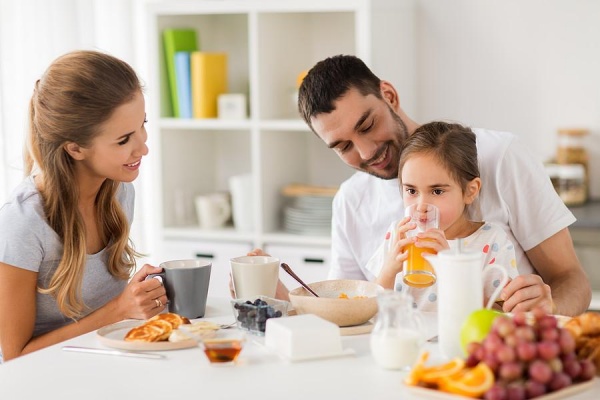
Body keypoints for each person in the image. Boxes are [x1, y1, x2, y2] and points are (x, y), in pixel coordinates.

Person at [297, 54, 590, 316]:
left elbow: (571, 279)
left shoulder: (499, 156)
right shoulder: (351, 200)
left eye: (367, 126)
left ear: (389, 95)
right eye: (343, 146)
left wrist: (549, 308)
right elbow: (349, 307)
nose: (365, 152)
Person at [0, 50, 167, 362]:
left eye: (142, 124)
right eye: (123, 140)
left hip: (106, 365)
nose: (143, 146)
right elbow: (15, 356)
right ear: (75, 148)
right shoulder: (23, 223)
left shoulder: (119, 194)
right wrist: (119, 310)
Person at [365, 121, 518, 311]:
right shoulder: (399, 235)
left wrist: (452, 267)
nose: (421, 207)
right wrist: (389, 269)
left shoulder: (492, 240)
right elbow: (372, 307)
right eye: (411, 190)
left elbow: (497, 314)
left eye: (437, 191)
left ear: (470, 191)